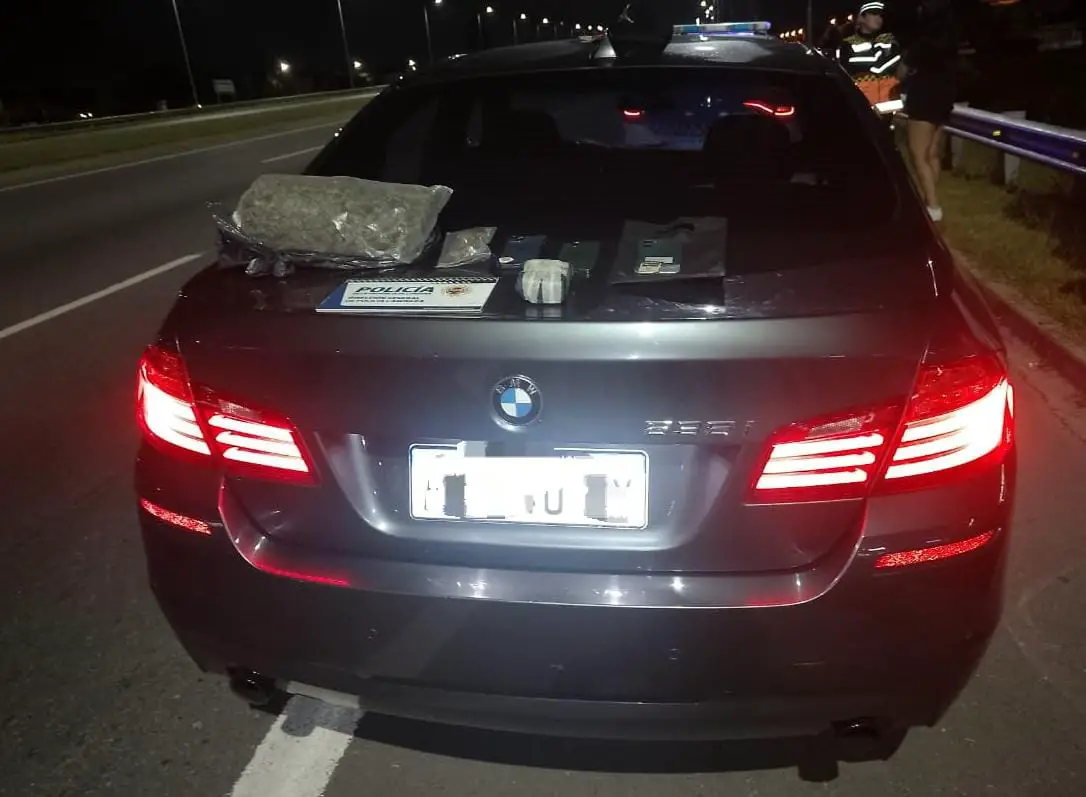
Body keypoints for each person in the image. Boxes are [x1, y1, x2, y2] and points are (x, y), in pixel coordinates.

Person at [901, 0, 959, 222]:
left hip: (923, 100)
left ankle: (932, 206)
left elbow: (901, 72)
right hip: (944, 100)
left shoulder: (921, 45)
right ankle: (930, 199)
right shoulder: (949, 41)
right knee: (932, 153)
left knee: (918, 155)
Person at [836, 3, 903, 112]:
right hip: (862, 110)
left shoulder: (890, 41)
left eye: (880, 15)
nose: (878, 18)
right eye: (874, 14)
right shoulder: (847, 45)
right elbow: (843, 78)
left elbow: (896, 71)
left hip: (890, 109)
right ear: (861, 18)